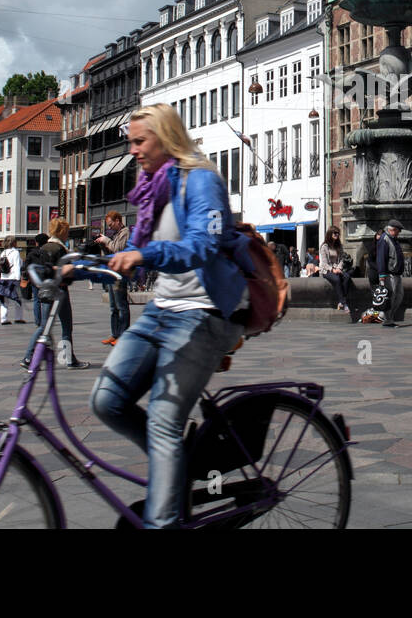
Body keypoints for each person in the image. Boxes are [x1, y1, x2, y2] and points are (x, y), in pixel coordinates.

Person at [90, 103, 247, 528]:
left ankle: (164, 518)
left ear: (165, 137)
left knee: (161, 420)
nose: (134, 150)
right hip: (163, 309)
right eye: (131, 142)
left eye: (140, 141)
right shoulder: (155, 187)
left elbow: (203, 246)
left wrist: (145, 253)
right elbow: (135, 251)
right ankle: (173, 469)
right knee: (107, 400)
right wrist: (72, 265)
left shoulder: (202, 182)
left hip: (203, 313)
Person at [22, 220, 89, 370]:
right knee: (66, 326)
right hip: (60, 290)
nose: (68, 234)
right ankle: (69, 359)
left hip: (45, 290)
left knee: (44, 325)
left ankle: (28, 356)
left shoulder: (44, 247)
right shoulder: (59, 249)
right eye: (66, 231)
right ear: (61, 232)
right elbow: (63, 270)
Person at [95, 210, 132, 345]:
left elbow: (118, 249)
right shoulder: (116, 234)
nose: (109, 228)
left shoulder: (125, 232)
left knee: (121, 305)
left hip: (119, 274)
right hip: (111, 272)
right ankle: (115, 334)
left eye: (111, 225)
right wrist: (103, 244)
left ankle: (123, 335)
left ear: (118, 221)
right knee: (113, 307)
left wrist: (106, 240)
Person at [376, 219, 406, 327]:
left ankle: (388, 316)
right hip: (389, 274)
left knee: (399, 295)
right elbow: (381, 258)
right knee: (390, 297)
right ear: (392, 230)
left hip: (396, 274)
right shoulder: (384, 239)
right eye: (398, 230)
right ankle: (387, 320)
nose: (399, 233)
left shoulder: (393, 239)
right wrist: (382, 275)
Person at [319, 227, 353, 315]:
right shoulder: (324, 246)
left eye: (338, 233)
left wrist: (339, 268)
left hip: (337, 269)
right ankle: (344, 303)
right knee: (337, 279)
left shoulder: (339, 246)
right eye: (334, 233)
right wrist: (332, 270)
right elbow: (324, 263)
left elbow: (341, 259)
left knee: (347, 277)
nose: (336, 234)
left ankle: (342, 301)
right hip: (327, 270)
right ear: (330, 234)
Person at [0, 236, 25, 324]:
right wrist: (18, 279)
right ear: (13, 243)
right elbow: (17, 266)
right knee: (18, 299)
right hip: (13, 278)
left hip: (4, 278)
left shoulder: (3, 253)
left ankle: (3, 318)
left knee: (4, 300)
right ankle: (18, 317)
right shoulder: (15, 252)